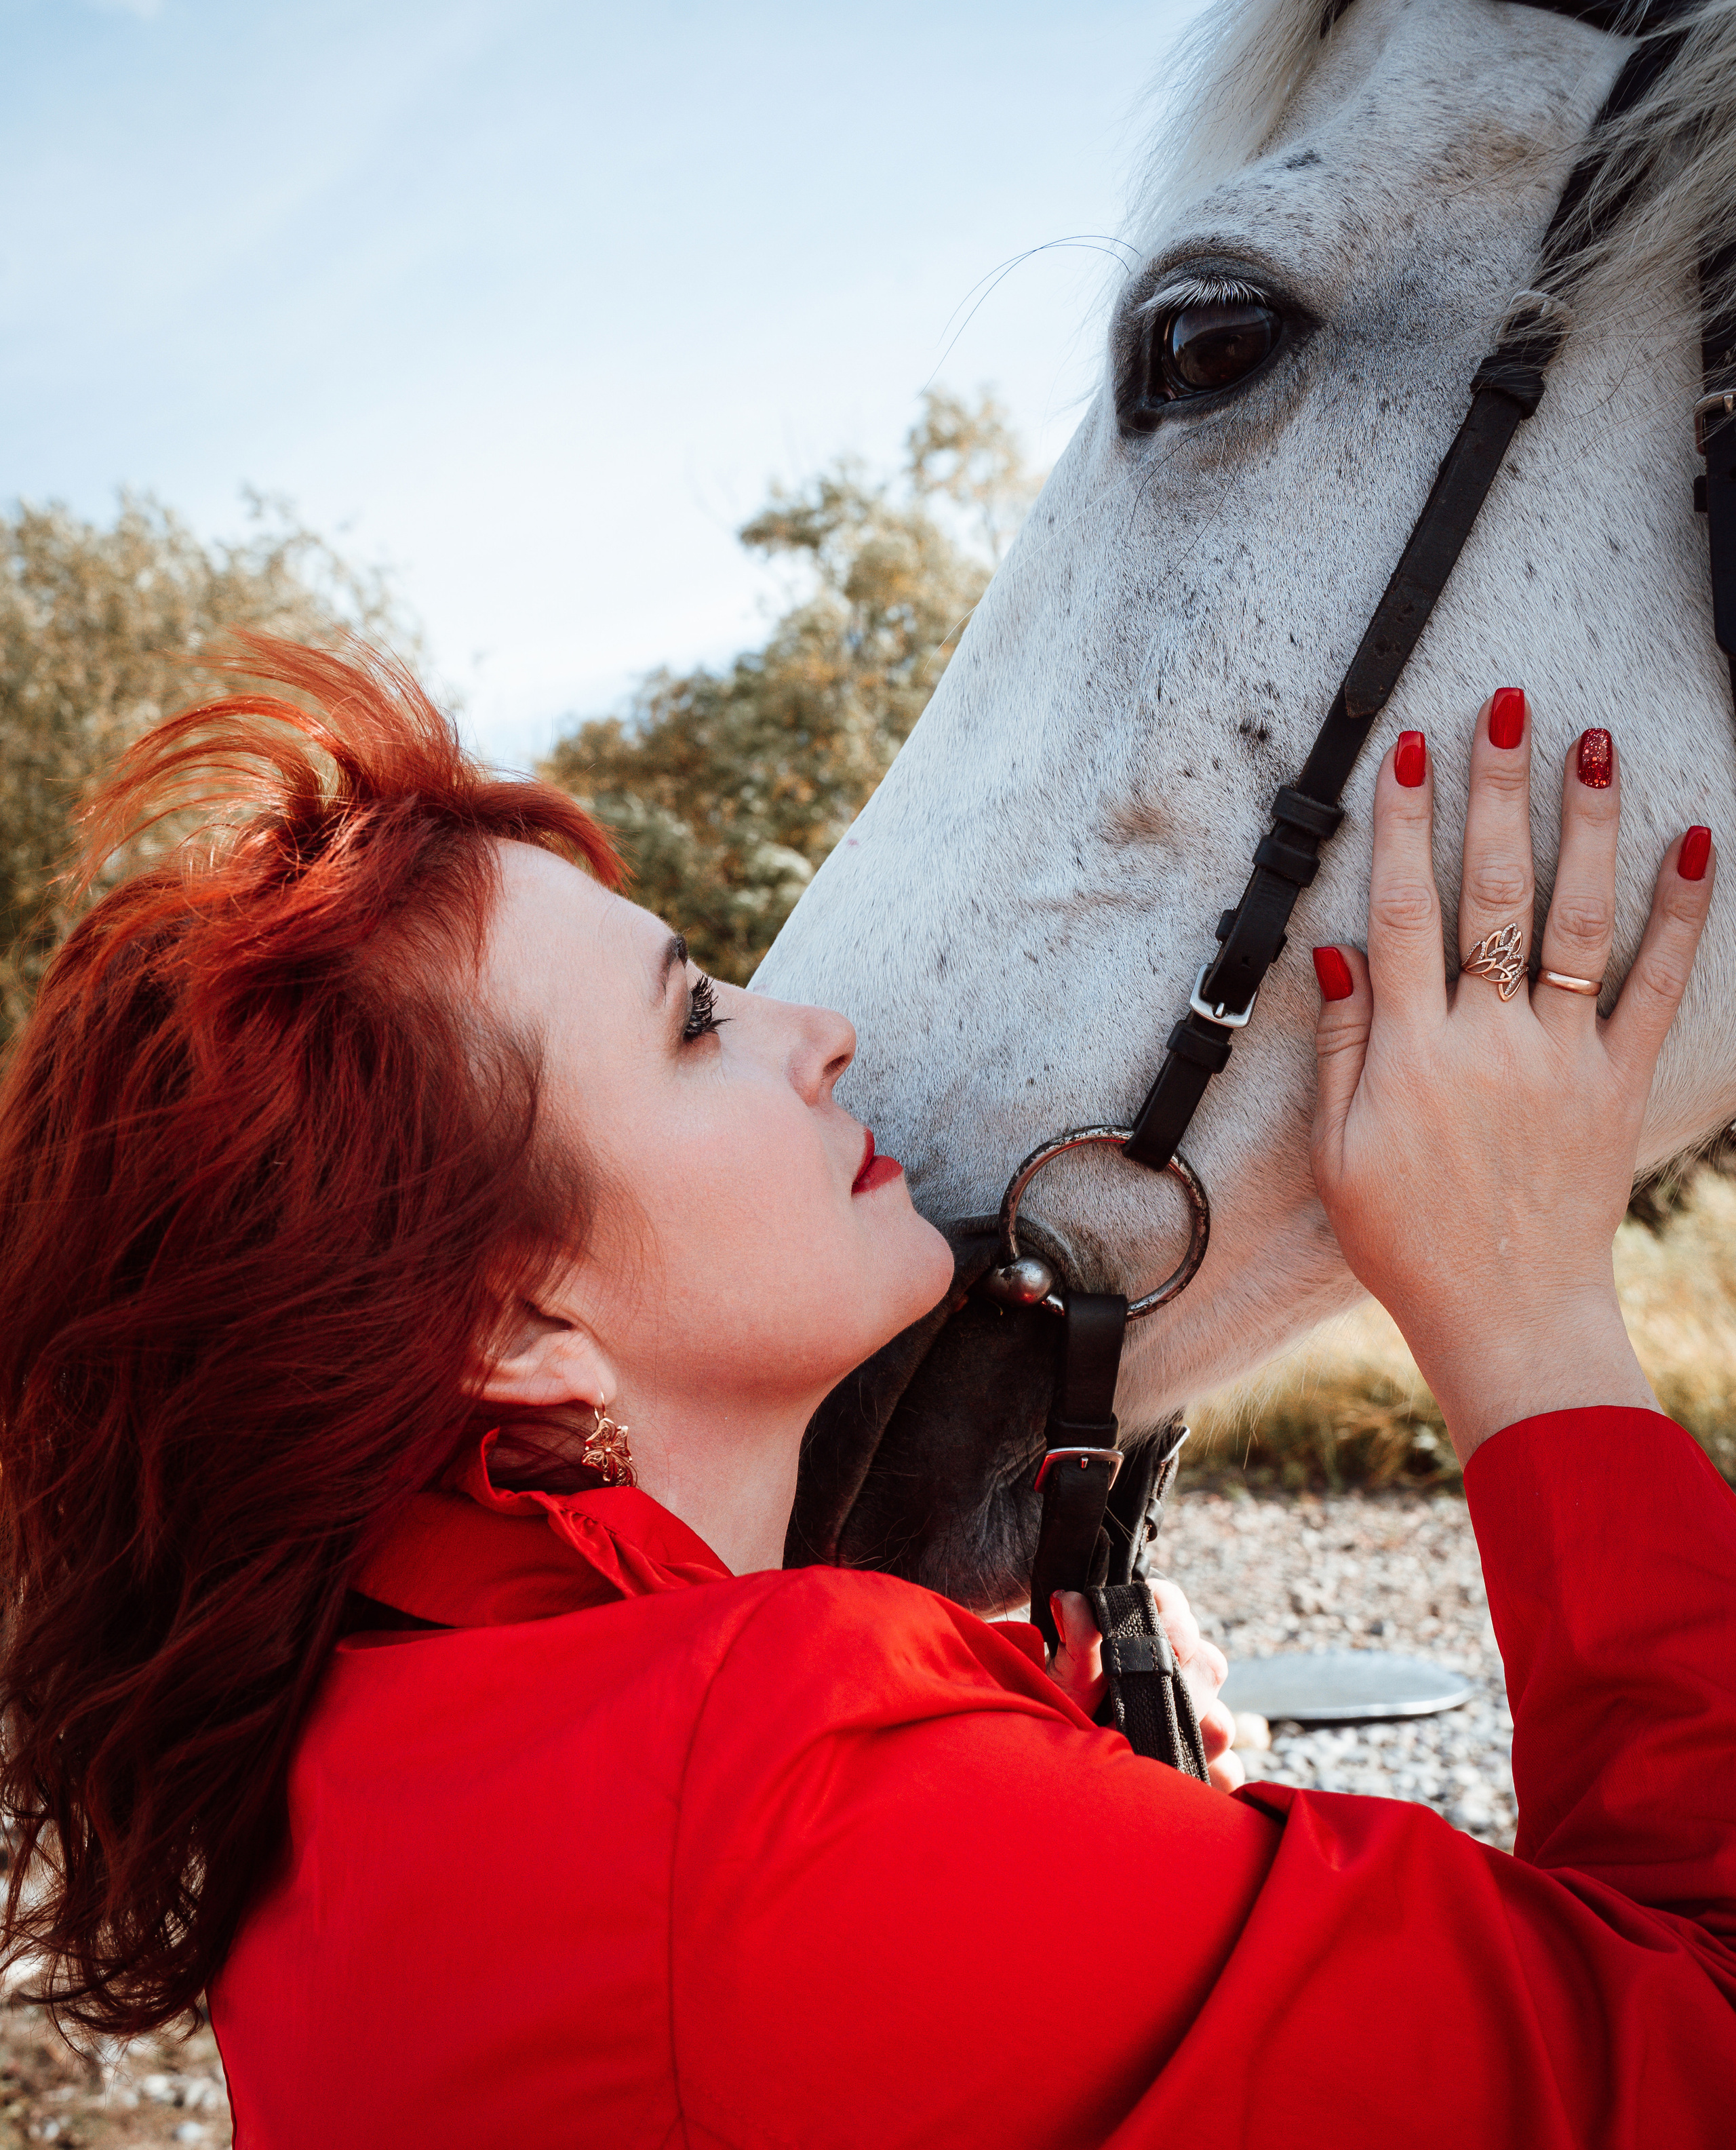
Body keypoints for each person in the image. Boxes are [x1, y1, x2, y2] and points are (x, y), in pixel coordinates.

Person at [0, 639, 1731, 2148]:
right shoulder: (782, 1809)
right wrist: (1528, 1309)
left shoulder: (368, 1772)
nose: (813, 1029)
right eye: (694, 1025)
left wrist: (1074, 1794)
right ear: (516, 1322)